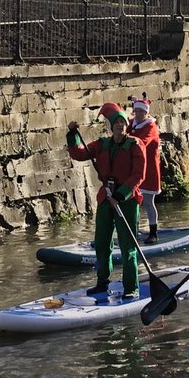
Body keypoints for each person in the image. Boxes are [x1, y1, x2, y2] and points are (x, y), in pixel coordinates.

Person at [66, 102, 147, 297]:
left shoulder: (135, 146)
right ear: (110, 126)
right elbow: (78, 153)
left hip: (126, 200)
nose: (120, 125)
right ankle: (102, 282)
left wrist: (121, 195)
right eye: (116, 123)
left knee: (127, 246)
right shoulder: (102, 144)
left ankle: (131, 288)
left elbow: (138, 175)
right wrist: (73, 134)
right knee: (101, 243)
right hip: (105, 199)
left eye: (123, 122)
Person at [127, 94, 162, 242]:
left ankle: (153, 233)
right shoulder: (132, 124)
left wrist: (126, 140)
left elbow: (143, 142)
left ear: (147, 113)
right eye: (137, 111)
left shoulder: (151, 126)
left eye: (142, 112)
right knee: (133, 201)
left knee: (148, 201)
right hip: (135, 168)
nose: (139, 114)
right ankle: (133, 231)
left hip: (149, 170)